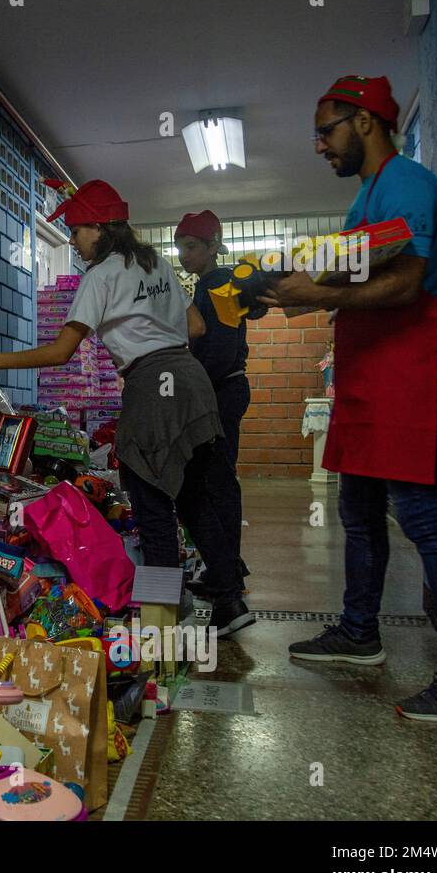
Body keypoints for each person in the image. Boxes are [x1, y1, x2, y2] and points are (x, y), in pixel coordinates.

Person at [267, 74, 437, 722]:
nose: (319, 146)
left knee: (426, 518)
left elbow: (406, 285)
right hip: (373, 376)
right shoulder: (365, 201)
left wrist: (316, 294)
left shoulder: (406, 182)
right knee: (360, 509)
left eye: (326, 130)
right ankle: (359, 631)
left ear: (366, 121)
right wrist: (294, 289)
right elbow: (354, 278)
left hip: (412, 373)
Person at [0, 180, 253, 636]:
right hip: (192, 383)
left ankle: (159, 625)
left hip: (154, 386)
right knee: (193, 498)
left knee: (151, 503)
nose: (72, 241)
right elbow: (195, 326)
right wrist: (152, 331)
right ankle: (231, 602)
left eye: (76, 231)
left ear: (100, 228)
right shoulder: (157, 263)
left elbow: (61, 352)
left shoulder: (102, 275)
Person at [176, 210, 252, 597]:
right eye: (180, 247)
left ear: (213, 247)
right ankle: (227, 564)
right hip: (220, 389)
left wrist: (194, 390)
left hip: (222, 390)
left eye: (191, 246)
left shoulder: (220, 284)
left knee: (218, 481)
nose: (183, 255)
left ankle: (228, 571)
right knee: (216, 479)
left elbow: (222, 347)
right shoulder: (207, 285)